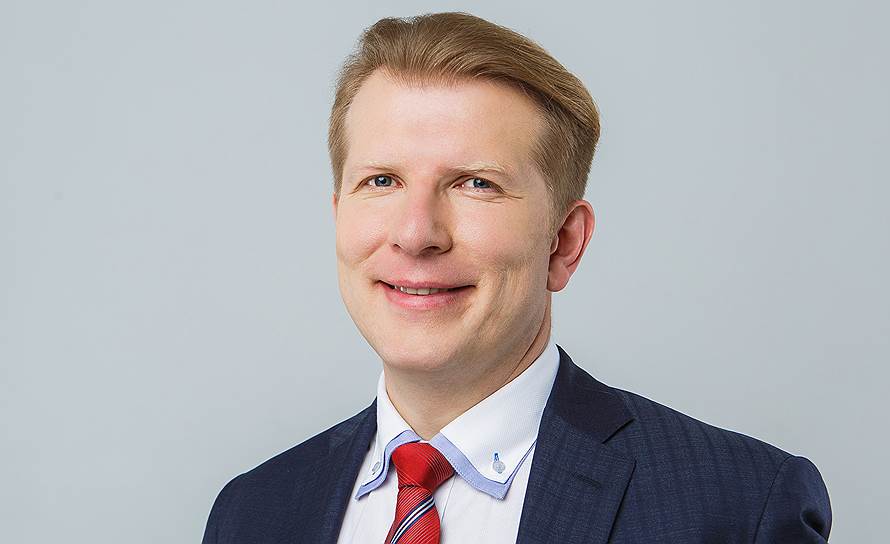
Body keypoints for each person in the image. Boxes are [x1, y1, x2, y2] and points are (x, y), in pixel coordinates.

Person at [202, 11, 832, 544]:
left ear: (564, 242)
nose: (416, 234)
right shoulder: (253, 513)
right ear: (338, 215)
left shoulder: (738, 508)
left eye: (476, 184)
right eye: (382, 181)